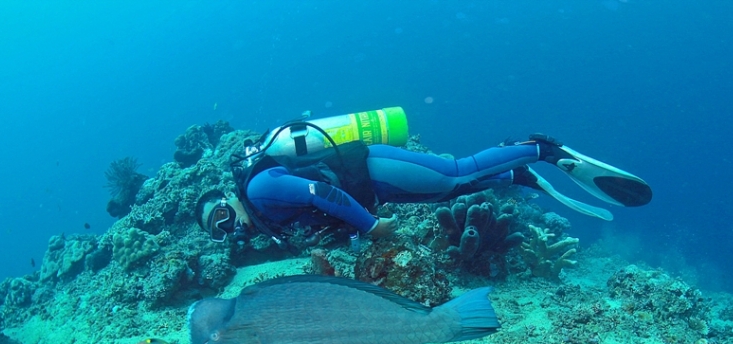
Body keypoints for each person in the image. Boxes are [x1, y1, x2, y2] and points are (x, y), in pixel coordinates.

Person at [195, 124, 652, 248]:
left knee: (455, 170)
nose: (226, 229)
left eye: (219, 218)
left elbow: (322, 195)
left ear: (226, 199)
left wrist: (370, 227)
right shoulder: (262, 219)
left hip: (372, 170)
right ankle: (518, 176)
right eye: (217, 233)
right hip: (375, 188)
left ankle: (539, 148)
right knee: (446, 192)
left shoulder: (257, 191)